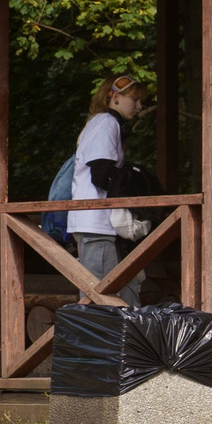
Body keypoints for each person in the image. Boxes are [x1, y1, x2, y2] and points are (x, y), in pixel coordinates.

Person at [66, 74, 153, 305]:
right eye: (134, 99)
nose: (139, 106)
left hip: (98, 224)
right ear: (114, 96)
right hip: (96, 224)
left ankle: (123, 339)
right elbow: (102, 175)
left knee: (116, 290)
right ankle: (104, 341)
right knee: (101, 297)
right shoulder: (106, 123)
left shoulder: (102, 123)